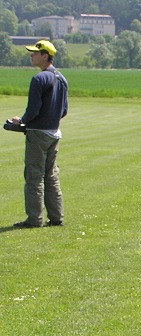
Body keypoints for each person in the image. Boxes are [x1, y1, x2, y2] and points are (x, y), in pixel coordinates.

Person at [10, 40, 68, 228]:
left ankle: (34, 219)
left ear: (45, 56)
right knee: (51, 175)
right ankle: (56, 216)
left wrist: (22, 121)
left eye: (35, 53)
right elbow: (64, 110)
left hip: (38, 134)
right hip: (54, 133)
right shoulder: (62, 78)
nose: (32, 55)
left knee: (34, 176)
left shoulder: (39, 79)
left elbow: (33, 110)